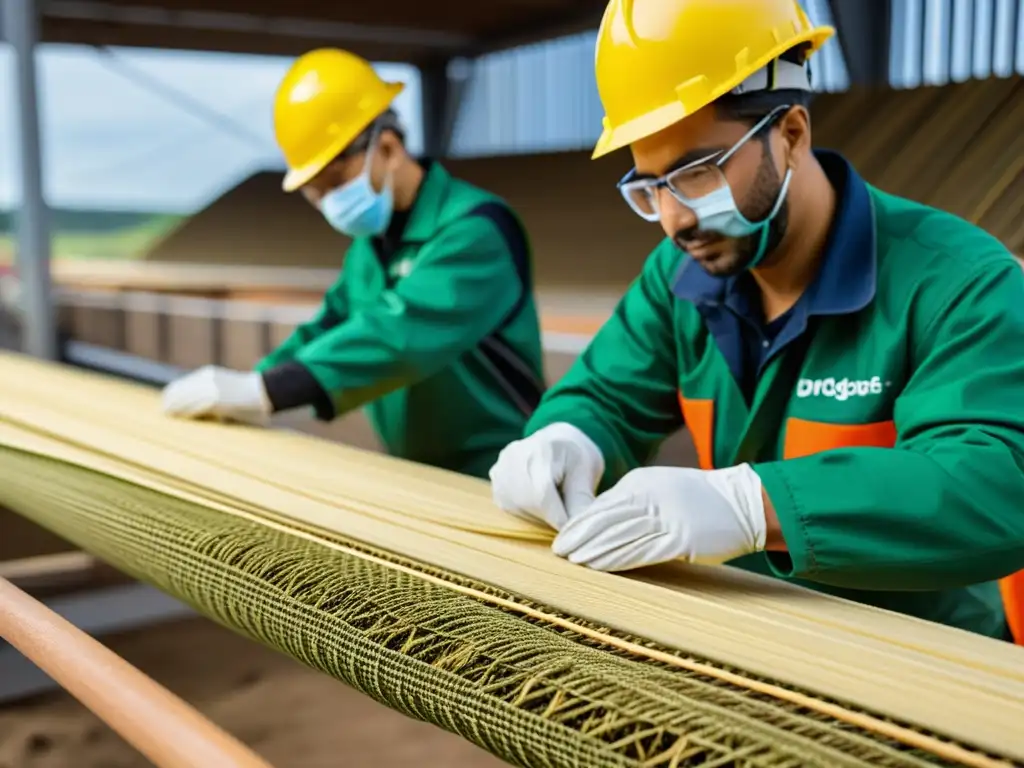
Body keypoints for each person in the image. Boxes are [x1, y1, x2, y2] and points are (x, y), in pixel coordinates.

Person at [488, 0, 1024, 642]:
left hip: (918, 666)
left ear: (792, 132)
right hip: (747, 649)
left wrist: (754, 505)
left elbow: (996, 484)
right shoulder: (679, 277)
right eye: (650, 185)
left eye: (699, 172)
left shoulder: (955, 281)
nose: (674, 219)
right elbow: (606, 392)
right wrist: (567, 437)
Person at [161, 48, 545, 479]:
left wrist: (266, 392)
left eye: (335, 183)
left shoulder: (476, 230)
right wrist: (251, 383)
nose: (329, 203)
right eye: (315, 192)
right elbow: (331, 325)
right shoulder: (370, 248)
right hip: (420, 475)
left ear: (388, 147)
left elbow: (399, 332)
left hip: (503, 473)